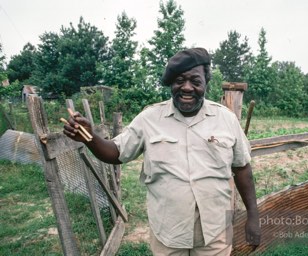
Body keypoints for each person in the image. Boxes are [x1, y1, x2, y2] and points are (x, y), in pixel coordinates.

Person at [63, 47, 261, 255]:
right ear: (171, 83)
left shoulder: (226, 119)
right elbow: (116, 153)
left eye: (195, 81)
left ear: (206, 83)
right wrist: (91, 138)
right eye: (179, 81)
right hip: (168, 232)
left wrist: (253, 217)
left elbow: (242, 169)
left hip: (216, 232)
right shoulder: (149, 118)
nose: (187, 88)